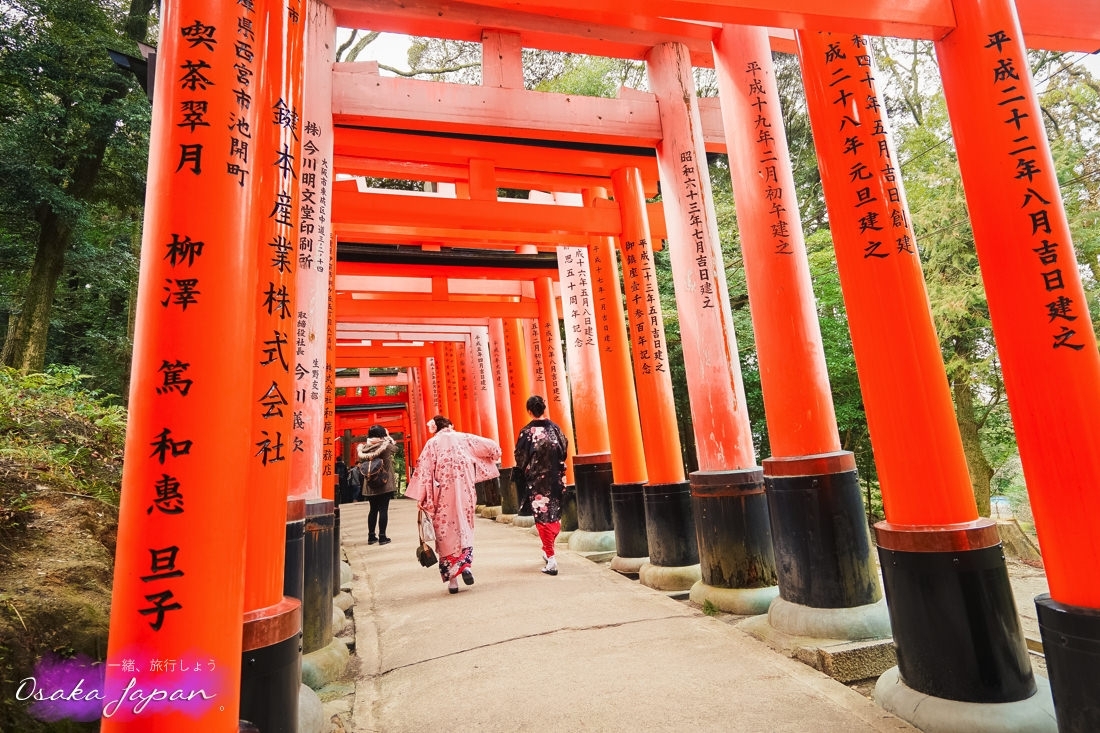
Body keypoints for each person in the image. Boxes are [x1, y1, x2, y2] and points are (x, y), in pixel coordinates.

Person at [405, 415, 501, 594]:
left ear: (435, 428)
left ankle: (453, 581)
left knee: (445, 532)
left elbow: (425, 472)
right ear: (450, 425)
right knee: (464, 526)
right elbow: (492, 448)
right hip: (465, 493)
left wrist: (422, 498)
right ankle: (465, 567)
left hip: (441, 496)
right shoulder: (465, 438)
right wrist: (492, 457)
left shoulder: (431, 445)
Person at [514, 395, 569, 576]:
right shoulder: (555, 428)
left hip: (537, 481)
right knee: (555, 513)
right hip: (557, 477)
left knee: (543, 517)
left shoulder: (527, 432)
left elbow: (520, 456)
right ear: (544, 409)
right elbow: (564, 447)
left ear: (529, 411)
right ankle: (548, 550)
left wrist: (527, 468)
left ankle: (551, 559)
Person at [357, 425, 398, 545]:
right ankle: (382, 536)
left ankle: (371, 537)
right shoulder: (385, 446)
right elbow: (396, 449)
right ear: (382, 435)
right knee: (383, 510)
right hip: (384, 483)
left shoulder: (364, 448)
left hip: (370, 484)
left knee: (373, 510)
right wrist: (388, 437)